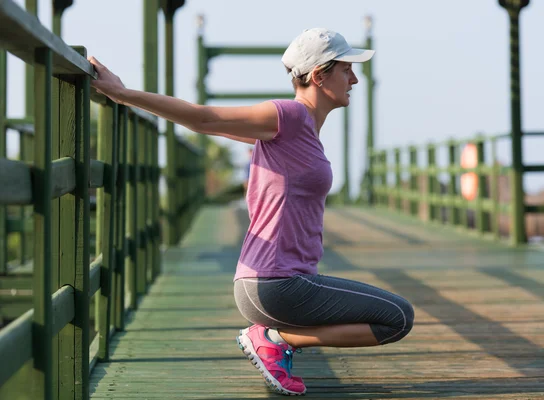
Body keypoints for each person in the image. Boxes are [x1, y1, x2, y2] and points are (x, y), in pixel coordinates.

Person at [89, 27, 414, 396]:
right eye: (346, 70)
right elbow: (204, 119)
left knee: (394, 317)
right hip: (276, 284)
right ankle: (275, 339)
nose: (355, 78)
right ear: (319, 75)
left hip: (273, 283)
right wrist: (121, 94)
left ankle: (275, 337)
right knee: (397, 317)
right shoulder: (287, 116)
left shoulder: (299, 129)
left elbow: (216, 127)